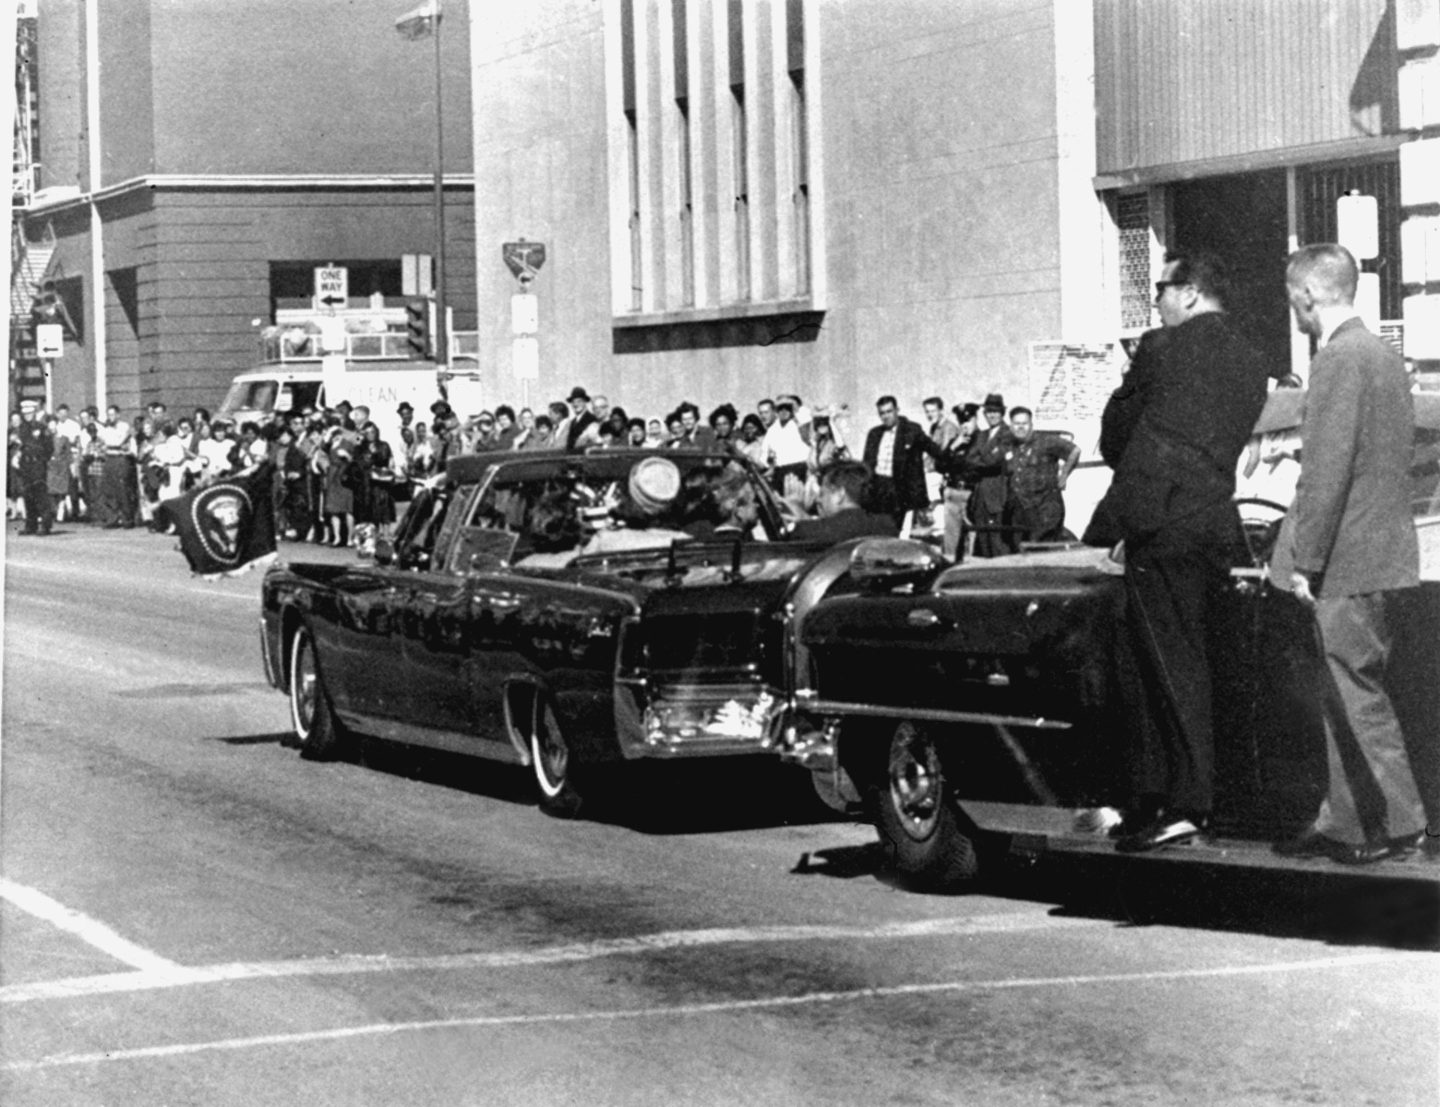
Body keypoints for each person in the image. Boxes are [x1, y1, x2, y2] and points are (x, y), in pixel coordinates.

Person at [1101, 249, 1272, 853]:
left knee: (1165, 665)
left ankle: (1182, 803)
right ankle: (1196, 794)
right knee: (1204, 658)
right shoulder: (1252, 358)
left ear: (1191, 292)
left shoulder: (1160, 348)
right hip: (1215, 520)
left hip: (1160, 523)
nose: (1157, 302)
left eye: (1162, 290)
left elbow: (1114, 435)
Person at [1271, 244, 1427, 865]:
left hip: (1346, 560)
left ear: (1308, 293)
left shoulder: (1337, 359)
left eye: (1293, 299)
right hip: (1382, 553)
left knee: (1355, 695)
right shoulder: (1384, 356)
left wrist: (1305, 562)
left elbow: (1326, 473)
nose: (1294, 312)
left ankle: (1394, 824)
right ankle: (1347, 822)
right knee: (1345, 692)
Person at [1003, 406, 1080, 549]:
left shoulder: (1045, 441)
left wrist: (1064, 475)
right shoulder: (1010, 446)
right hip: (1022, 510)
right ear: (1011, 426)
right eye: (1017, 424)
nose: (1021, 427)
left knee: (1042, 549)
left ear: (1031, 425)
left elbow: (1074, 451)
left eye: (1025, 423)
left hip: (1045, 508)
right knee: (1022, 549)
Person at [861, 395, 941, 530]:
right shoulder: (874, 434)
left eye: (889, 411)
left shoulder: (911, 430)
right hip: (879, 488)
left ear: (897, 410)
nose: (886, 416)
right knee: (878, 530)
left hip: (900, 491)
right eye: (882, 413)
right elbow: (867, 463)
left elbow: (935, 451)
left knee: (899, 531)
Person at [789, 460, 897, 544]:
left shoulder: (812, 532)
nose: (818, 500)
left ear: (840, 494)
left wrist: (795, 508)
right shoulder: (887, 526)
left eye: (822, 494)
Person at [965, 394, 1014, 557]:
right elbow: (969, 459)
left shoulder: (1008, 434)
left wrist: (981, 458)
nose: (992, 415)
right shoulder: (982, 435)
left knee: (997, 543)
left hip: (997, 496)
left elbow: (994, 461)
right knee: (982, 543)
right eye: (989, 412)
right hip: (980, 497)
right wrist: (986, 457)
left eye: (996, 411)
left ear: (1002, 413)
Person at [15, 400, 54, 535]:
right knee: (28, 494)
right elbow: (21, 446)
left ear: (34, 413)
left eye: (30, 413)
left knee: (40, 494)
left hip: (38, 464)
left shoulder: (41, 427)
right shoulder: (22, 428)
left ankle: (45, 525)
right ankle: (30, 525)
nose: (27, 416)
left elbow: (49, 447)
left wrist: (42, 460)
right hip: (26, 464)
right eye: (25, 414)